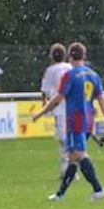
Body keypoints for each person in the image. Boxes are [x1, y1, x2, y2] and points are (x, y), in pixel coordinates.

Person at [32, 42, 104, 201]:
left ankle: (98, 190)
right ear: (83, 56)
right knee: (72, 157)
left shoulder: (70, 75)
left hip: (76, 120)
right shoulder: (93, 75)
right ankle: (60, 194)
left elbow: (58, 98)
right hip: (89, 119)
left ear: (70, 56)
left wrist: (40, 113)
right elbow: (102, 100)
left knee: (79, 154)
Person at [40, 43, 73, 174]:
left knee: (63, 139)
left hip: (59, 108)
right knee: (68, 137)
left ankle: (68, 168)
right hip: (72, 107)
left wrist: (44, 103)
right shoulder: (70, 67)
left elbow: (44, 90)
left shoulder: (50, 70)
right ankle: (69, 166)